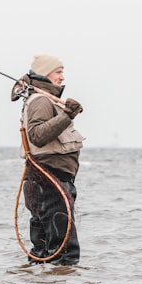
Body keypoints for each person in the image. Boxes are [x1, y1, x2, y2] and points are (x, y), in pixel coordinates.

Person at [11, 53, 84, 265]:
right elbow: (37, 136)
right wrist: (67, 115)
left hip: (45, 181)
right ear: (45, 74)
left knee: (44, 250)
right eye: (58, 72)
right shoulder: (41, 101)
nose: (62, 78)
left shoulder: (41, 98)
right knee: (64, 253)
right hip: (50, 180)